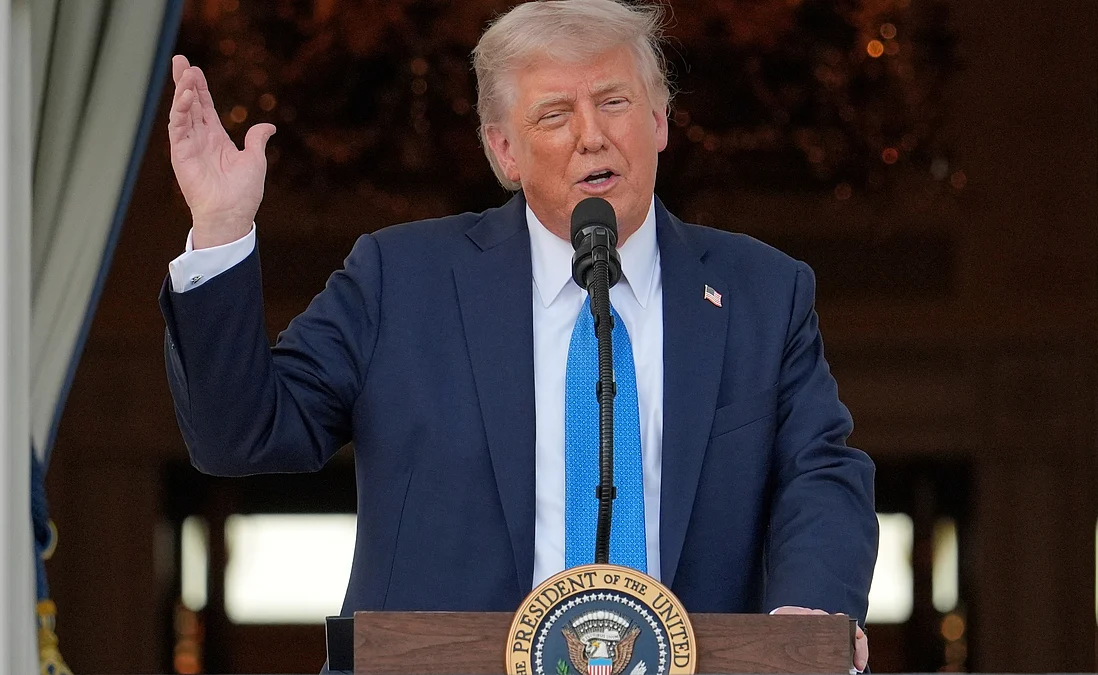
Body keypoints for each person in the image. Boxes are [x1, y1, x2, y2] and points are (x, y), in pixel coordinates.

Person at [161, 0, 877, 670]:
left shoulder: (762, 290)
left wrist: (807, 617)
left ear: (660, 120)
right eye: (555, 114)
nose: (592, 134)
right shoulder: (401, 278)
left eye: (615, 102)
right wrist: (221, 231)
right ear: (504, 151)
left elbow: (819, 471)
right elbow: (240, 436)